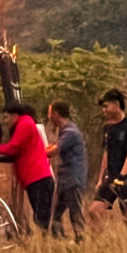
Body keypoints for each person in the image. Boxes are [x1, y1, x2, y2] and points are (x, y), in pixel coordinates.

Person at [0, 102, 54, 231]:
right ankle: (45, 243)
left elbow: (13, 148)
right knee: (41, 215)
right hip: (37, 177)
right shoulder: (25, 124)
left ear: (15, 115)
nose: (5, 121)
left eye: (6, 117)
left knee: (41, 217)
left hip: (37, 177)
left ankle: (45, 244)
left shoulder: (24, 124)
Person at [89, 88, 127, 227]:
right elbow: (106, 153)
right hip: (110, 179)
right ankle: (99, 244)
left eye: (106, 106)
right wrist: (100, 179)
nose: (103, 110)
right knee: (94, 210)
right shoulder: (108, 128)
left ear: (116, 104)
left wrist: (122, 176)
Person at [47, 100, 88, 243]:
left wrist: (39, 151)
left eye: (50, 114)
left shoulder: (70, 132)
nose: (49, 117)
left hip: (73, 178)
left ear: (56, 115)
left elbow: (53, 151)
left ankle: (80, 239)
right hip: (65, 178)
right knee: (56, 212)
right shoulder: (65, 131)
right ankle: (60, 240)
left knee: (75, 211)